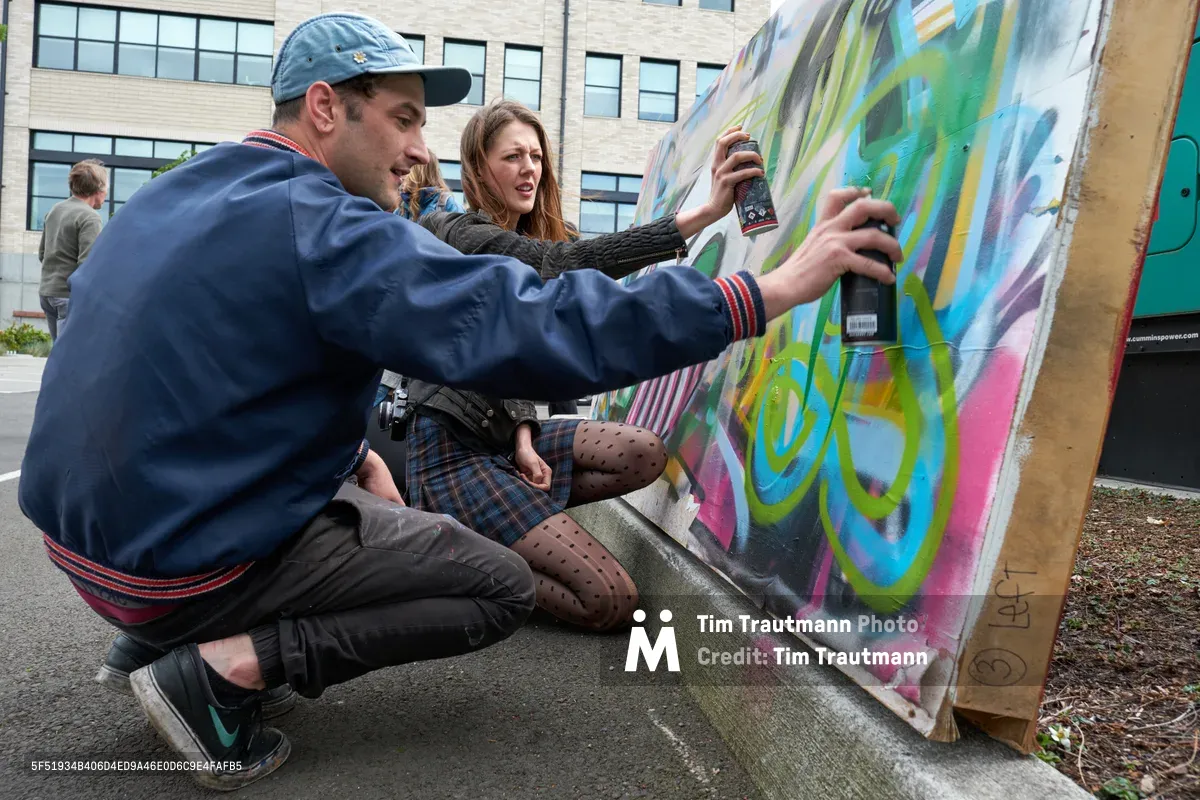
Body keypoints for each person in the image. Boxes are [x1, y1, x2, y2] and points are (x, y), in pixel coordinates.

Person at [17, 12, 902, 790]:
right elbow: (529, 315)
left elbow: (207, 372)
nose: (414, 147)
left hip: (88, 545)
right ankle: (216, 672)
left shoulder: (178, 193)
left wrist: (347, 453)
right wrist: (765, 291)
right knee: (495, 587)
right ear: (327, 108)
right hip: (179, 566)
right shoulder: (329, 223)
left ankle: (163, 637)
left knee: (451, 486)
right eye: (401, 119)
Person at [398, 100, 768, 632]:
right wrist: (704, 212)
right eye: (512, 157)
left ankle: (493, 529)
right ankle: (463, 561)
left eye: (536, 156)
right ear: (478, 168)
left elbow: (514, 351)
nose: (530, 168)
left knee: (642, 453)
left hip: (501, 442)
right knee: (610, 601)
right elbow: (564, 265)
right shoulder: (454, 231)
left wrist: (525, 437)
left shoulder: (532, 243)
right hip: (450, 456)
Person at [36, 159, 107, 342]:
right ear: (98, 189)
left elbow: (42, 254)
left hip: (47, 292)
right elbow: (88, 265)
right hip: (68, 298)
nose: (107, 193)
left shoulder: (55, 209)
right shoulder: (90, 217)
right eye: (106, 187)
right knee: (70, 357)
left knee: (58, 354)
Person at [395, 150, 465, 221]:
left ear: (418, 173)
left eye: (408, 168)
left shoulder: (448, 206)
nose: (402, 174)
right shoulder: (401, 210)